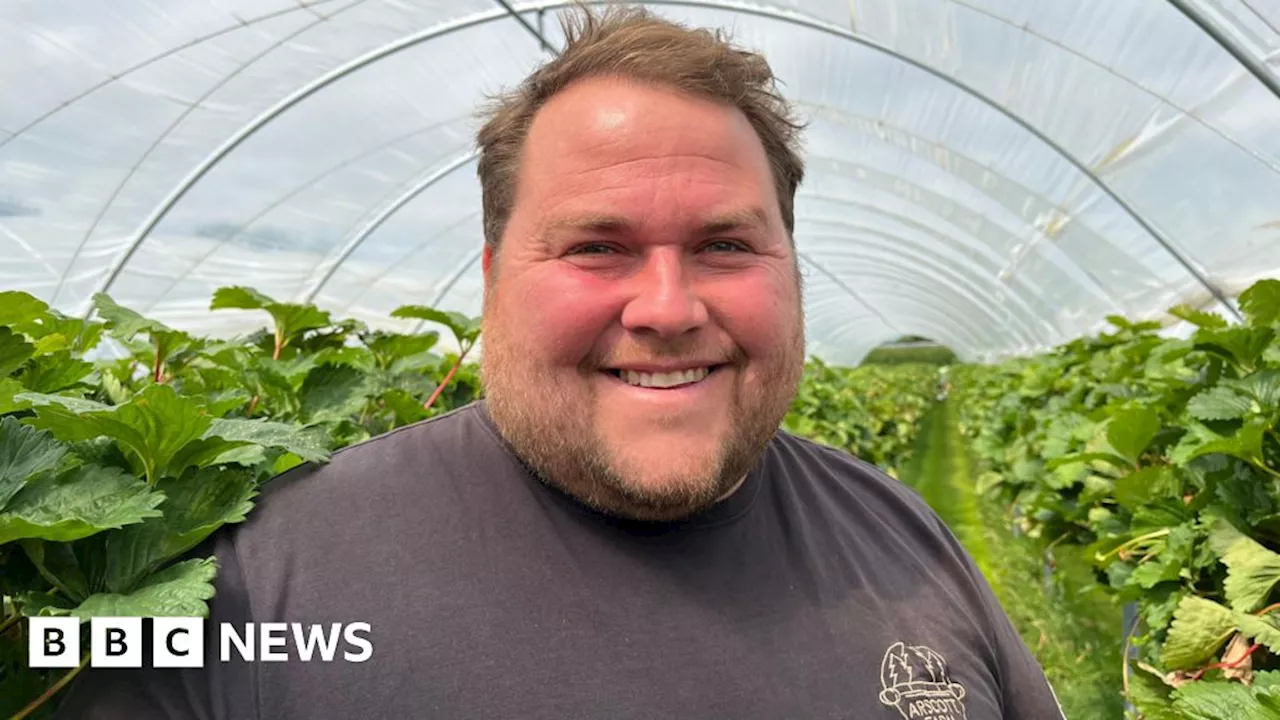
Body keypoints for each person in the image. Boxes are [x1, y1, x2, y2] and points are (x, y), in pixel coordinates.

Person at [60, 6, 1065, 719]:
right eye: (596, 246)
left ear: (790, 267)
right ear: (496, 276)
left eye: (724, 244)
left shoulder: (903, 537)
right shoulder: (241, 589)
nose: (667, 308)